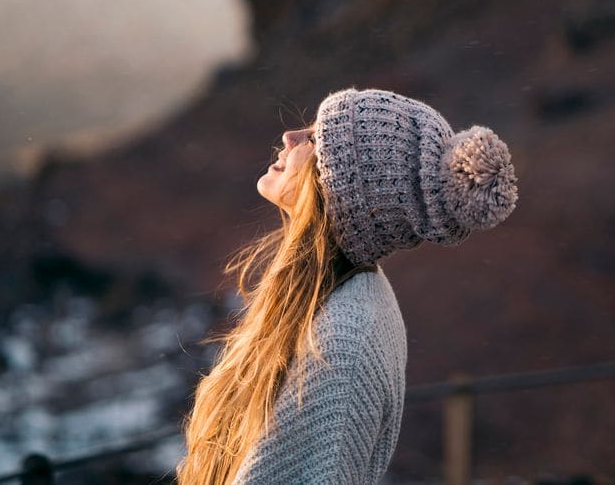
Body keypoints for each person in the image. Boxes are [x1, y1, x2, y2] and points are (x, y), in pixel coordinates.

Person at [177, 86, 519, 484]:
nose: (290, 138)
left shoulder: (344, 340)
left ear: (338, 191)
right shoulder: (335, 299)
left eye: (314, 139)